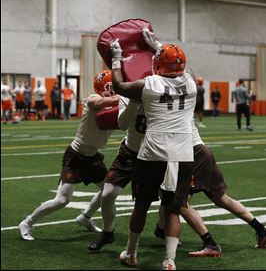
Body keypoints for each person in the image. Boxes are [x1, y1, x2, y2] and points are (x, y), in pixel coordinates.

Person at [110, 30, 197, 270]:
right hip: (183, 153)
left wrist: (116, 57)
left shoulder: (148, 85)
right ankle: (169, 261)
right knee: (172, 210)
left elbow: (118, 85)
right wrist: (159, 46)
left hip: (153, 152)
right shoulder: (191, 83)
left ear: (158, 63)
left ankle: (131, 253)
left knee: (141, 205)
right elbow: (178, 67)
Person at [19, 72, 120, 241]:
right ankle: (27, 222)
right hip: (76, 156)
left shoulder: (116, 106)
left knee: (108, 191)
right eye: (112, 86)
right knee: (63, 199)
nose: (114, 89)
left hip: (93, 157)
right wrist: (126, 96)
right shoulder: (93, 99)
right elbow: (101, 102)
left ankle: (85, 217)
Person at [155, 118, 266, 257]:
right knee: (220, 198)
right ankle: (261, 229)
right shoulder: (181, 102)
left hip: (191, 155)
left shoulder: (169, 107)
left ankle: (210, 243)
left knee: (180, 202)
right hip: (202, 151)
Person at [87, 96, 145, 251]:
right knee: (107, 194)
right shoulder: (128, 96)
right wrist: (134, 101)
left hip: (153, 154)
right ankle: (108, 232)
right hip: (129, 152)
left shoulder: (162, 95)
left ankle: (163, 230)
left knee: (166, 198)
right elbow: (123, 124)